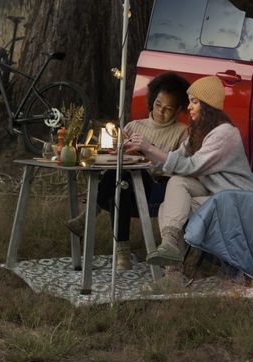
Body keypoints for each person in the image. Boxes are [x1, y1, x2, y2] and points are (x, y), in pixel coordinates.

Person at [123, 75, 253, 266]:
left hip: (236, 199)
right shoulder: (199, 131)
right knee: (175, 189)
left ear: (207, 105)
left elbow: (190, 165)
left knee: (168, 207)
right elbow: (176, 157)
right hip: (214, 193)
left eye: (194, 102)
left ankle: (172, 267)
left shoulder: (224, 134)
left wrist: (150, 148)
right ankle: (170, 248)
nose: (189, 107)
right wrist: (144, 151)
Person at [66, 72, 190, 271]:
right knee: (121, 179)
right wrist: (118, 149)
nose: (161, 112)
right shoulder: (134, 126)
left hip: (158, 188)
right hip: (126, 188)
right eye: (158, 105)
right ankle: (121, 252)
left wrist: (149, 152)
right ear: (152, 101)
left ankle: (89, 216)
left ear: (177, 110)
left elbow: (179, 166)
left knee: (125, 177)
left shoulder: (182, 131)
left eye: (168, 109)